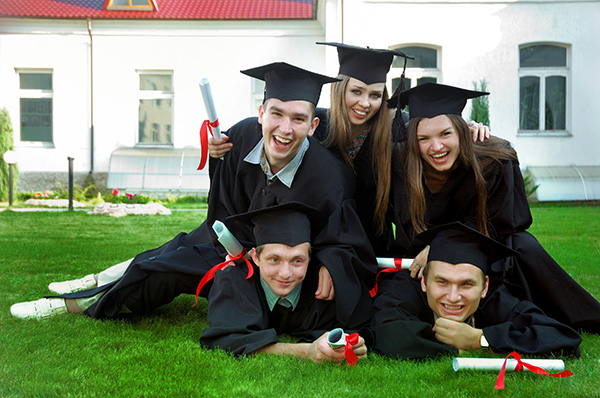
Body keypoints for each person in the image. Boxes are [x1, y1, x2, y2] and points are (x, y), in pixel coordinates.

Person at [10, 62, 377, 328]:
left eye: (298, 119)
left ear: (313, 125)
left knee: (162, 269)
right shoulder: (243, 135)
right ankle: (92, 281)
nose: (284, 128)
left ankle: (67, 306)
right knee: (171, 250)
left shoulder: (331, 178)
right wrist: (220, 160)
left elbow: (345, 239)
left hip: (268, 267)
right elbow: (223, 199)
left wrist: (331, 261)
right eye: (276, 114)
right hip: (229, 241)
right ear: (261, 111)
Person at [209, 42, 490, 255]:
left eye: (375, 95)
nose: (365, 103)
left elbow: (434, 135)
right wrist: (219, 146)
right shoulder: (315, 123)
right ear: (340, 88)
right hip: (317, 240)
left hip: (372, 244)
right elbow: (276, 125)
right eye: (356, 91)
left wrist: (466, 129)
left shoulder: (398, 131)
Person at [387, 82, 600, 334]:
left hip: (486, 254)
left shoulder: (494, 161)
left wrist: (439, 246)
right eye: (424, 138)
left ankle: (576, 316)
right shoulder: (400, 164)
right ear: (414, 140)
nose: (436, 147)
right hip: (423, 268)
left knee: (522, 244)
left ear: (462, 132)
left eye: (445, 134)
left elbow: (505, 222)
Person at [368, 222, 582, 359]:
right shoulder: (403, 290)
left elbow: (564, 339)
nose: (453, 297)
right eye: (441, 282)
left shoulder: (496, 301)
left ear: (485, 286)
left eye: (466, 284)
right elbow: (386, 332)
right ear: (423, 282)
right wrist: (450, 346)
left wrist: (480, 339)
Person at [200, 202, 368, 363]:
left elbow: (359, 325)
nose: (285, 274)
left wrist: (354, 345)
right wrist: (307, 351)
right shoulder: (234, 281)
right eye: (274, 259)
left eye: (297, 261)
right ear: (256, 258)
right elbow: (226, 342)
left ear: (310, 259)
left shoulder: (327, 286)